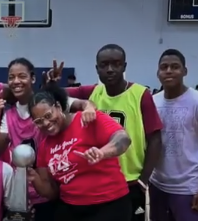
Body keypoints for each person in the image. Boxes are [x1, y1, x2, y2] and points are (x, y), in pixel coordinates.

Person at [0, 57, 96, 220]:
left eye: (22, 76)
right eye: (11, 77)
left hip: (50, 189)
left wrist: (89, 107)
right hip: (21, 192)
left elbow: (83, 104)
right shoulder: (9, 115)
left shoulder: (48, 102)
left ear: (32, 78)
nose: (16, 81)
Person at [65, 44, 163, 221]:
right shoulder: (91, 92)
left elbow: (155, 140)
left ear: (124, 66)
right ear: (97, 68)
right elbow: (57, 95)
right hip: (99, 182)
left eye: (116, 64)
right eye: (104, 65)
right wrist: (50, 83)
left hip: (130, 181)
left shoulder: (141, 94)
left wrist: (144, 179)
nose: (110, 69)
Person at [27, 82, 132, 221]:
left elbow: (123, 139)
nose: (46, 123)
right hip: (71, 208)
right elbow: (52, 192)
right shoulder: (44, 148)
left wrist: (102, 153)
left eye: (48, 115)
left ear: (58, 107)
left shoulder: (87, 119)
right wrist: (34, 178)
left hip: (109, 204)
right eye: (39, 121)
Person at [150, 49, 198, 221]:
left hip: (188, 190)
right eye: (164, 67)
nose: (169, 71)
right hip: (157, 186)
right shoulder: (153, 102)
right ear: (158, 72)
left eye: (175, 67)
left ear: (185, 71)